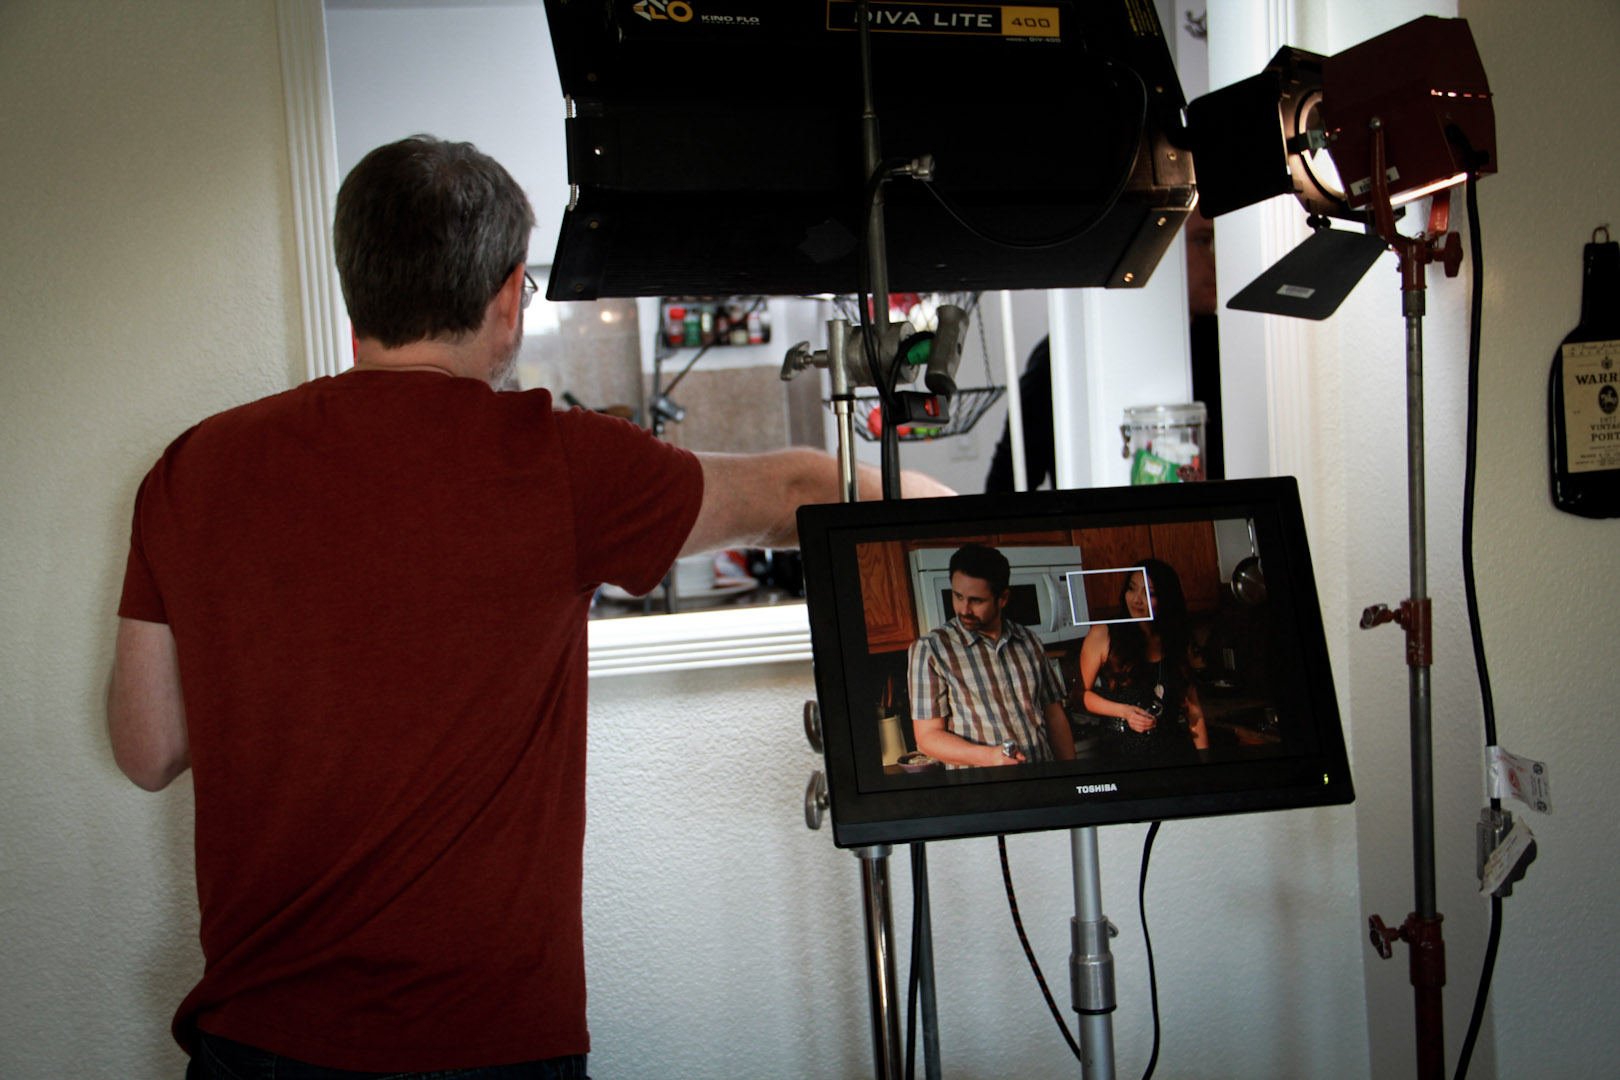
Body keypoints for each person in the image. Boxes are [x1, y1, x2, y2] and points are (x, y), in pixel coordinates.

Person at [106, 135, 950, 1079]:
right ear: (509, 294)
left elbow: (147, 749)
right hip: (489, 1040)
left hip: (257, 1038)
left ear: (356, 283)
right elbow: (795, 490)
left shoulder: (193, 467)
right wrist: (973, 527)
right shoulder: (561, 462)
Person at [907, 544, 1076, 768]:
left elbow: (1053, 715)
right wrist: (989, 757)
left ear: (1003, 598)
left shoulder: (1029, 641)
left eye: (976, 600)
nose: (964, 609)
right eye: (958, 596)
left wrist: (1069, 773)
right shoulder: (931, 650)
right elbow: (927, 737)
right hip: (984, 783)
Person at [1077, 558, 1209, 763]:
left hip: (1172, 754)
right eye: (1132, 589)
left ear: (1166, 599)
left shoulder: (1177, 638)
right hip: (1120, 757)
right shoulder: (1103, 634)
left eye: (1149, 593)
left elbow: (1193, 708)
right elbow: (1080, 695)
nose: (1137, 599)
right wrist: (1124, 712)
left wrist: (1205, 760)